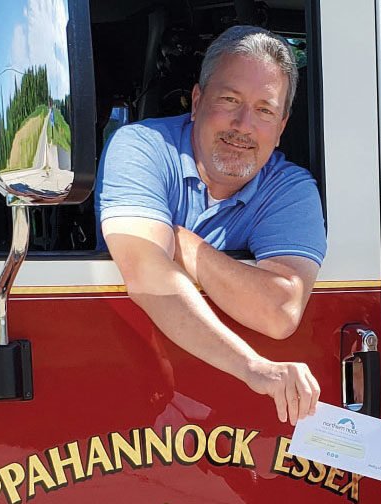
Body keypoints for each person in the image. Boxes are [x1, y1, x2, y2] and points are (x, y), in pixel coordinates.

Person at [98, 25, 324, 424]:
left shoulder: (289, 188)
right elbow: (146, 271)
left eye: (264, 110)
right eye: (229, 100)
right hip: (120, 393)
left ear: (283, 124)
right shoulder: (141, 147)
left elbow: (280, 310)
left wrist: (183, 243)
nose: (243, 124)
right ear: (198, 100)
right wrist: (255, 368)